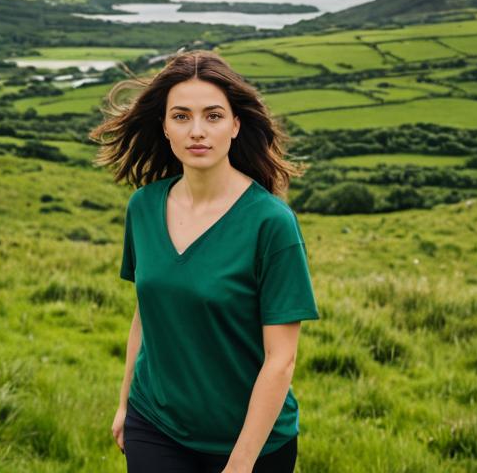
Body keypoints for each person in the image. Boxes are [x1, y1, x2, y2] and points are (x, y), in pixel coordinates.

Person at [89, 50, 319, 473]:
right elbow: (146, 312)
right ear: (165, 126)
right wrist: (125, 404)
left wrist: (241, 463)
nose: (197, 131)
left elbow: (281, 359)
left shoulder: (271, 223)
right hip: (155, 425)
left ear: (235, 125)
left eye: (213, 116)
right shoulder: (143, 207)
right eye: (181, 116)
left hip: (251, 442)